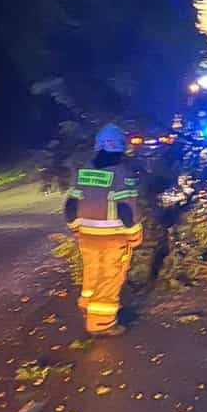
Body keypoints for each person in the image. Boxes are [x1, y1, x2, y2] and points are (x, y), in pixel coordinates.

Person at [63, 124, 142, 336]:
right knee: (109, 277)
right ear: (121, 147)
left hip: (87, 235)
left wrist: (75, 228)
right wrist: (134, 234)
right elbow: (126, 209)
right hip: (113, 237)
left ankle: (88, 307)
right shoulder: (122, 174)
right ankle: (101, 324)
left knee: (92, 273)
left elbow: (70, 205)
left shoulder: (84, 171)